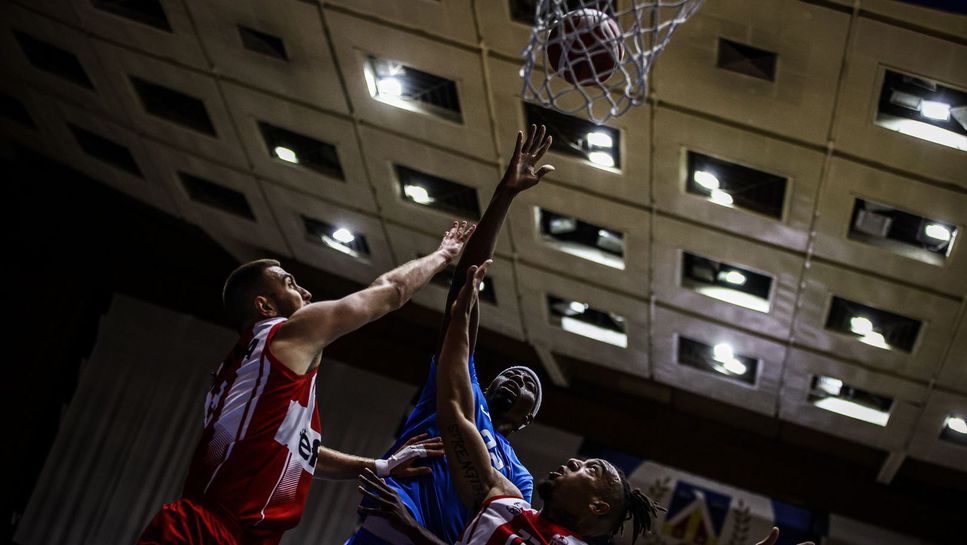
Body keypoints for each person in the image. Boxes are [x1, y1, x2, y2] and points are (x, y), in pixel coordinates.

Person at [358, 265, 815, 545]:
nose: (574, 460)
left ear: (596, 507)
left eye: (590, 469)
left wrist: (414, 533)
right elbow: (457, 413)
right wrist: (459, 316)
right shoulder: (505, 504)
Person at [137, 220, 475, 545]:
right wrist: (444, 255)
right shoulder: (285, 334)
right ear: (265, 305)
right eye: (289, 284)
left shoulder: (246, 374)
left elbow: (297, 450)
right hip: (205, 530)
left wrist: (379, 466)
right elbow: (391, 291)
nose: (306, 291)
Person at [345, 125, 556, 545]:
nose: (517, 377)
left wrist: (416, 530)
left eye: (528, 383)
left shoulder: (519, 478)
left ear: (525, 420)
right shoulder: (455, 389)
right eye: (511, 374)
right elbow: (464, 285)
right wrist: (505, 195)